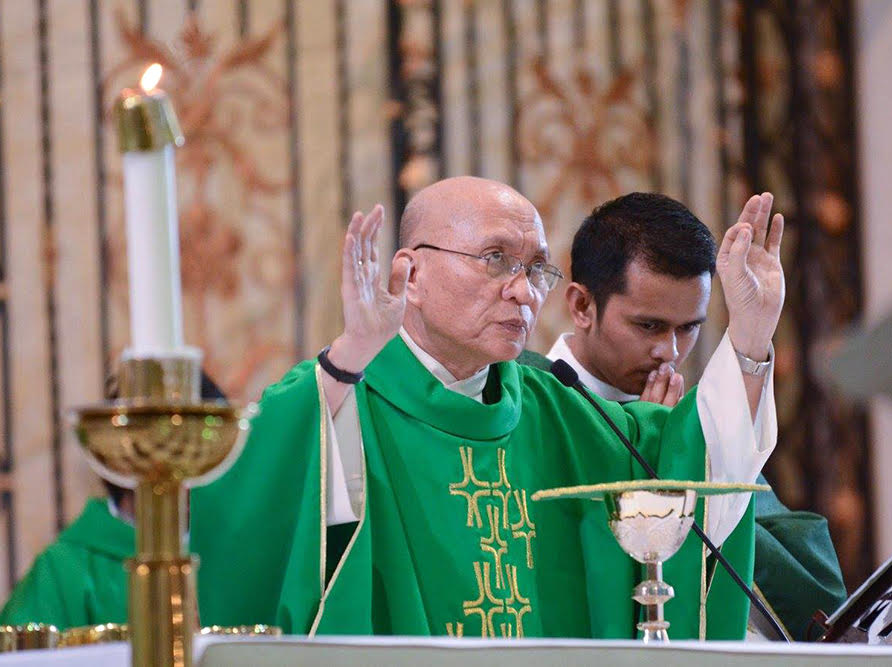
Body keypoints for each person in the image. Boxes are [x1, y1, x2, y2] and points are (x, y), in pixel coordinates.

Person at [191, 176, 785, 640]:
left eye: (536, 269)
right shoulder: (339, 400)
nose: (524, 292)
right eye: (496, 259)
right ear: (411, 274)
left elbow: (697, 471)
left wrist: (751, 336)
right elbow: (250, 499)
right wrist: (350, 355)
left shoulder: (571, 415)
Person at [517, 192, 846, 641]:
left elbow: (792, 570)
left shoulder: (694, 423)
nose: (669, 352)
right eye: (649, 326)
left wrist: (752, 329)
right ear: (581, 306)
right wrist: (649, 447)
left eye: (689, 327)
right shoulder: (525, 401)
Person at [0, 375, 227, 629]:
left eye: (197, 447)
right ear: (121, 454)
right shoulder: (65, 570)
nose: (177, 466)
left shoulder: (231, 552)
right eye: (163, 445)